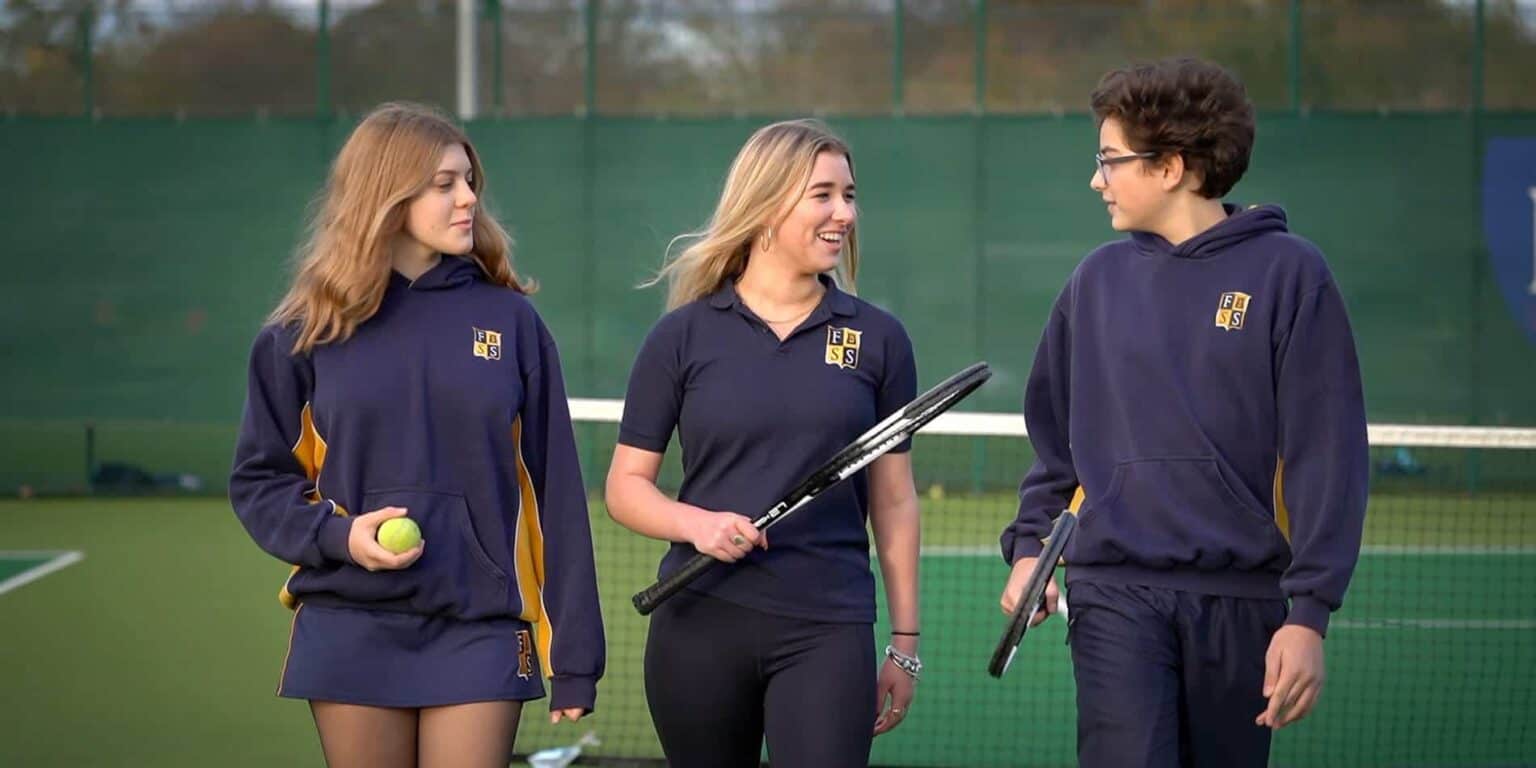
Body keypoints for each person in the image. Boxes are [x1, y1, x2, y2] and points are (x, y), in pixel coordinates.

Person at [998, 58, 1369, 768]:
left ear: (1170, 166)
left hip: (1243, 604)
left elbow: (1330, 456)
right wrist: (1029, 552)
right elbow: (1055, 449)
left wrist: (1310, 616)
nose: (1095, 179)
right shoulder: (1094, 282)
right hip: (1112, 594)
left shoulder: (1291, 274)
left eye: (1110, 161)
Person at [229, 102, 604, 768]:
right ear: (387, 194)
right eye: (444, 184)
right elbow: (260, 481)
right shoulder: (301, 333)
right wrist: (341, 537)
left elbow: (558, 496)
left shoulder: (512, 322)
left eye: (468, 182)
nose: (468, 199)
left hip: (483, 626)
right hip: (348, 620)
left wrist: (575, 653)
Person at [605, 118, 923, 767]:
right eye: (824, 195)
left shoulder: (879, 340)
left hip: (828, 628)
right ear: (768, 204)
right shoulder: (681, 338)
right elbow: (624, 488)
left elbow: (893, 501)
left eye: (850, 195)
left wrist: (904, 642)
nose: (844, 214)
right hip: (698, 625)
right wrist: (697, 525)